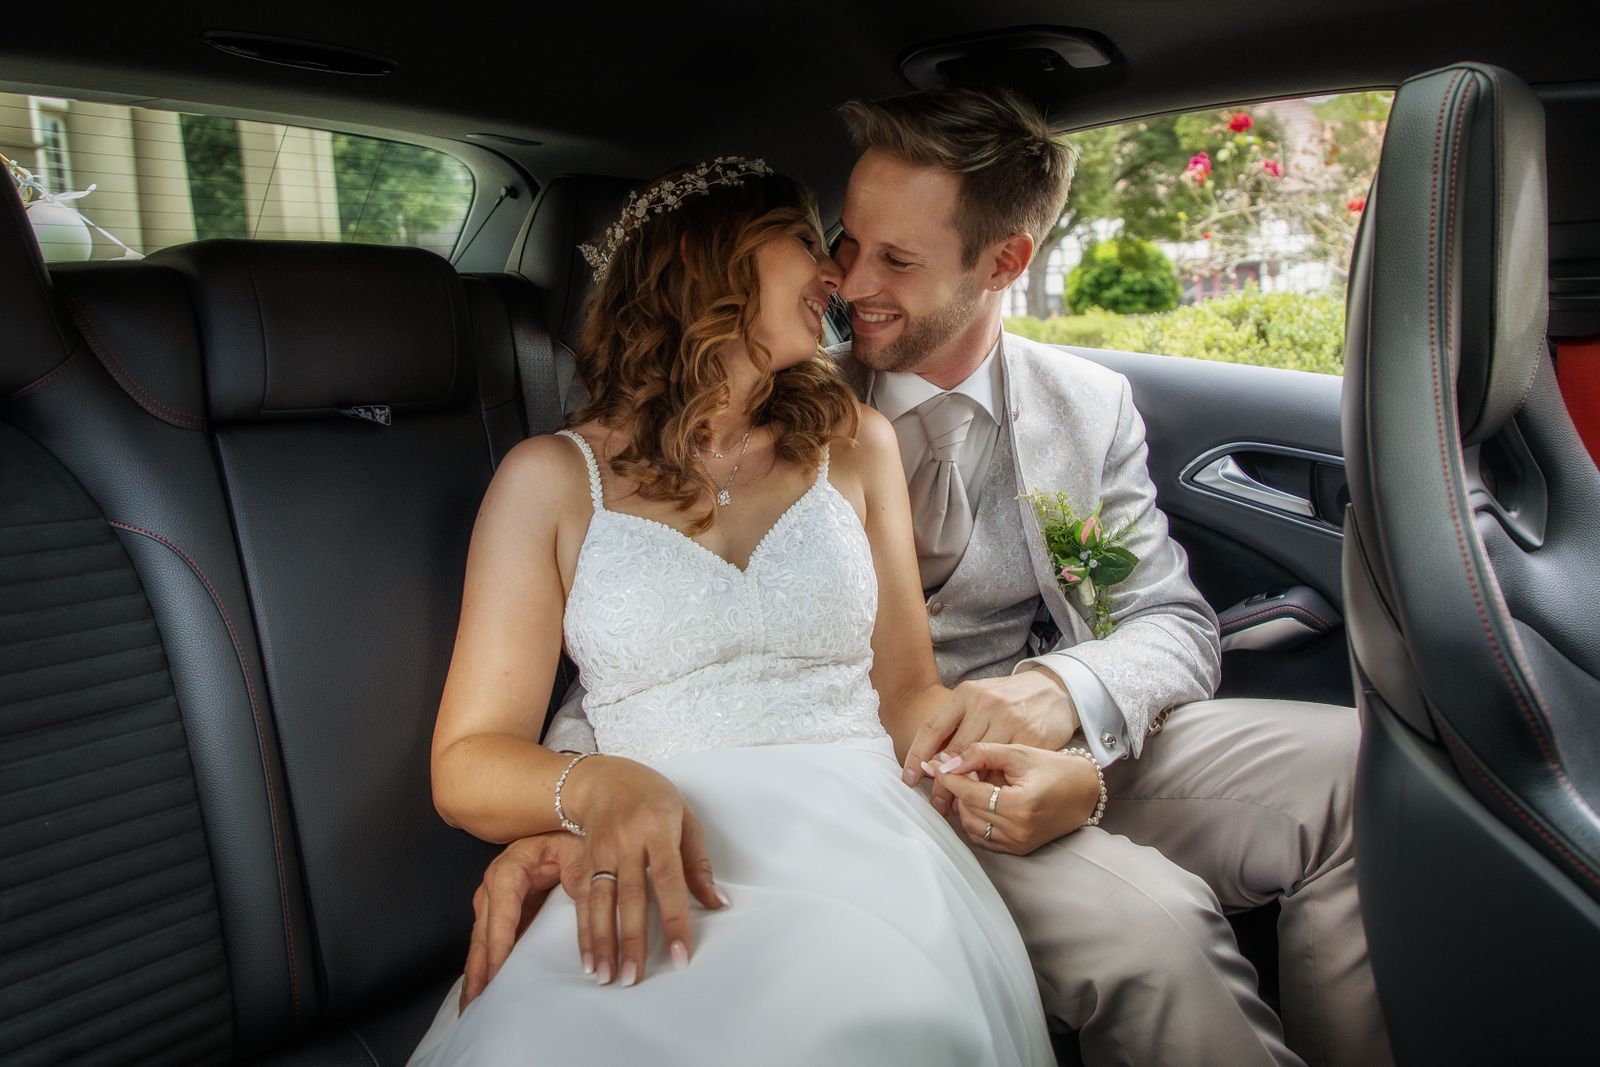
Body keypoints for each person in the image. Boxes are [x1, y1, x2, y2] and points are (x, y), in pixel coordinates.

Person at [480, 91, 1393, 1067]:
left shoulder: (1083, 410)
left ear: (1004, 260)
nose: (848, 277)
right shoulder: (763, 391)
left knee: (1356, 763)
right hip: (870, 779)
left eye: (897, 259)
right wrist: (579, 798)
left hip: (1024, 736)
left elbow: (1161, 615)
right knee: (1156, 933)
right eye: (845, 241)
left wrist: (1061, 701)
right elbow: (652, 629)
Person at [408, 158, 1053, 1066]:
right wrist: (593, 785)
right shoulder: (550, 481)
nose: (837, 272)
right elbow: (467, 763)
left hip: (864, 840)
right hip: (649, 843)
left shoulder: (858, 446)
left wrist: (1017, 753)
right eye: (804, 239)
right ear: (702, 260)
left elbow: (908, 693)